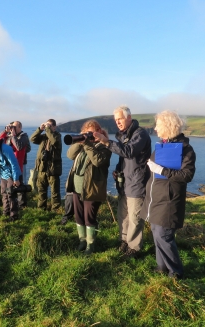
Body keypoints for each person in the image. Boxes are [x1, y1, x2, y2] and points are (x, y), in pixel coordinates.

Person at [141, 110, 196, 279]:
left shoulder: (186, 150)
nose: (155, 129)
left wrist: (162, 170)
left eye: (158, 125)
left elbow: (187, 176)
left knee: (164, 235)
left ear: (167, 126)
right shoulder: (162, 146)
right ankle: (162, 266)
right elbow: (151, 169)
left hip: (169, 200)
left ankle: (176, 272)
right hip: (155, 198)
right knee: (157, 232)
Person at [94, 105, 151, 259]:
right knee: (123, 215)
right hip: (124, 182)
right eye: (116, 120)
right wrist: (118, 169)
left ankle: (134, 248)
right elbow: (123, 157)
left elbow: (129, 152)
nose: (117, 122)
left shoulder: (140, 134)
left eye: (120, 118)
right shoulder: (124, 135)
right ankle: (124, 241)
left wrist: (107, 142)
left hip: (137, 182)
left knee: (135, 217)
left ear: (129, 118)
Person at [66, 120, 112, 254]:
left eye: (91, 132)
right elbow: (70, 155)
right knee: (79, 216)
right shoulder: (83, 145)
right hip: (77, 186)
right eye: (86, 132)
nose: (88, 135)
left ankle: (90, 245)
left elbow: (98, 161)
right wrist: (79, 141)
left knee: (89, 218)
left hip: (92, 188)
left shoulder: (104, 146)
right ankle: (82, 241)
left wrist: (87, 144)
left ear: (99, 131)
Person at [30, 119, 62, 211]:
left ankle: (56, 210)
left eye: (50, 125)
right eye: (47, 125)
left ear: (54, 127)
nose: (48, 127)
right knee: (41, 191)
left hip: (53, 169)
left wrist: (47, 129)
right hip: (42, 168)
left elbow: (54, 141)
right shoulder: (43, 137)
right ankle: (41, 208)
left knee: (55, 192)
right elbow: (32, 139)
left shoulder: (57, 136)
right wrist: (40, 129)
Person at [0, 121, 31, 207]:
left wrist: (13, 136)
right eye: (11, 127)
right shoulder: (9, 135)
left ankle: (22, 204)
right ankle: (13, 201)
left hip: (20, 163)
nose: (12, 128)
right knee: (10, 183)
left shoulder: (24, 136)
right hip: (10, 164)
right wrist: (5, 131)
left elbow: (19, 147)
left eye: (14, 127)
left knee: (20, 183)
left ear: (20, 128)